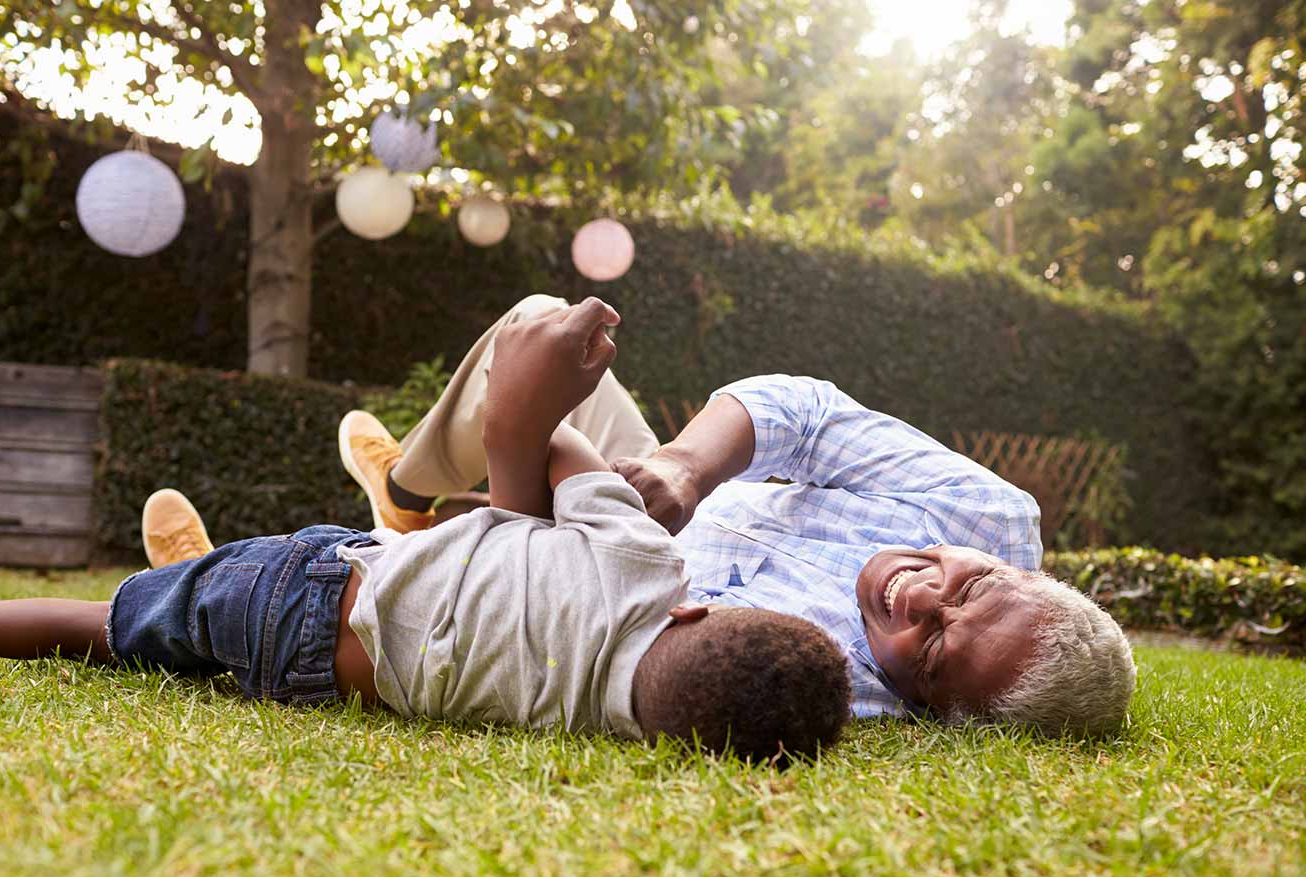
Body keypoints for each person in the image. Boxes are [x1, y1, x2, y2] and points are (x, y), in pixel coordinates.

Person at [0, 299, 851, 764]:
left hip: (317, 579)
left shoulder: (647, 562)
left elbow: (555, 453)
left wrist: (537, 410)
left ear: (692, 613)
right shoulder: (589, 725)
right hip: (313, 675)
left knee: (99, 622)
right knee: (125, 635)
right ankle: (180, 582)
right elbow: (529, 555)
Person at [318, 293, 1136, 736]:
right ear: (1019, 569)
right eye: (973, 587)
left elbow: (605, 632)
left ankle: (414, 530)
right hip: (660, 476)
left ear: (938, 710)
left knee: (510, 468)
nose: (921, 596)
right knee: (540, 327)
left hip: (605, 558)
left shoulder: (836, 684)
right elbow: (806, 414)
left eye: (932, 649)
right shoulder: (989, 512)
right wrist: (685, 465)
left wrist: (536, 475)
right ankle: (410, 499)